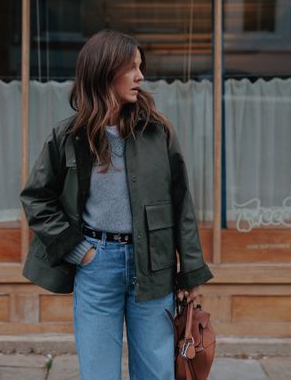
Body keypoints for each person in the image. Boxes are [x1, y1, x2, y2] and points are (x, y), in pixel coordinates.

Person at [20, 29, 213, 380]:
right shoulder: (67, 136)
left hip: (154, 269)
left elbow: (182, 202)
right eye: (131, 67)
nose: (140, 76)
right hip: (96, 267)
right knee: (98, 373)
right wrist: (81, 252)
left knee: (156, 373)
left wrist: (190, 272)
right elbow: (36, 199)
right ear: (104, 71)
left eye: (141, 67)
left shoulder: (158, 132)